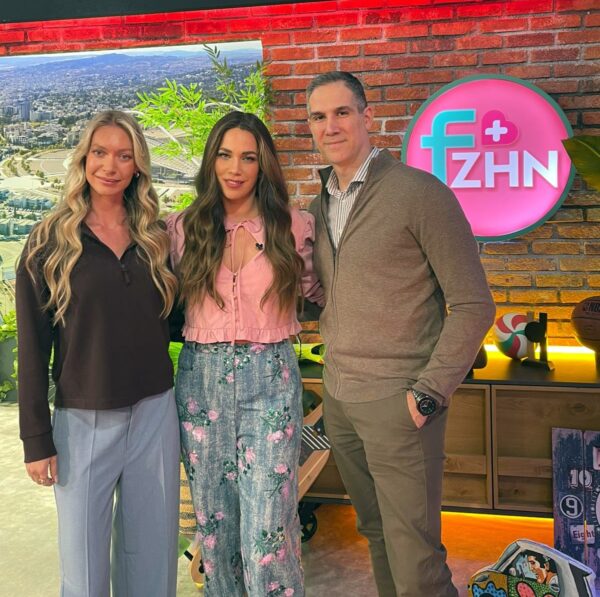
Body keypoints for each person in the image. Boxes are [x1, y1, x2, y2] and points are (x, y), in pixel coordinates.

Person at [306, 71, 496, 597]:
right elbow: (335, 297)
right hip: (340, 398)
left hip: (399, 400)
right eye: (318, 117)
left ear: (368, 116)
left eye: (342, 112)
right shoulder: (319, 206)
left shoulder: (419, 193)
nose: (330, 126)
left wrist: (427, 394)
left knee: (416, 560)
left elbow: (475, 304)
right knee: (376, 534)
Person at [16, 110, 180, 597]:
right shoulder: (48, 242)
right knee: (84, 570)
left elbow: (178, 319)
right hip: (82, 420)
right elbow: (32, 347)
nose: (110, 166)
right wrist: (36, 439)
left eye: (124, 156)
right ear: (83, 158)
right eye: (100, 153)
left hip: (155, 412)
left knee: (152, 558)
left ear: (138, 166)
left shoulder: (157, 238)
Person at [166, 110, 324, 597]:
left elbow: (320, 293)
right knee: (215, 528)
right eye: (225, 155)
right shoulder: (182, 228)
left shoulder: (293, 226)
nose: (235, 168)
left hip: (270, 376)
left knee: (268, 531)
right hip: (201, 381)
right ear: (211, 161)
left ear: (263, 165)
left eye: (249, 158)